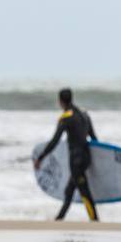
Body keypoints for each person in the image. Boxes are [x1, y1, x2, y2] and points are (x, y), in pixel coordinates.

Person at [34, 88, 99, 221]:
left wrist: (41, 157)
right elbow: (94, 139)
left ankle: (95, 220)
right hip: (86, 158)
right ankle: (60, 218)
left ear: (60, 101)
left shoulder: (66, 118)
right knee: (69, 190)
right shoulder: (84, 114)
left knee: (84, 191)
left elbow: (55, 141)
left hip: (76, 160)